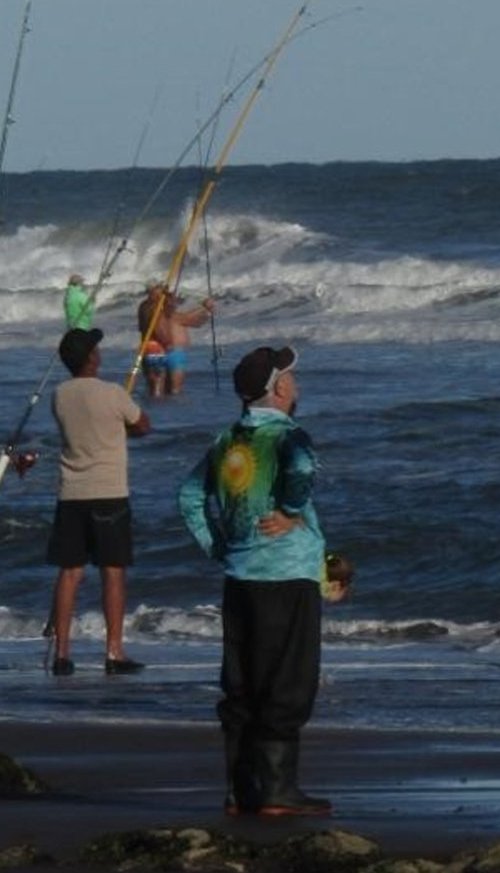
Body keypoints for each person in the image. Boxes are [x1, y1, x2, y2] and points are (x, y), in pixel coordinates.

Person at [177, 345, 332, 817]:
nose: (297, 386)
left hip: (240, 575)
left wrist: (217, 545)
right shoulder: (289, 436)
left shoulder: (225, 440)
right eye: (293, 379)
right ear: (280, 388)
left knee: (242, 683)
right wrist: (288, 510)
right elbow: (302, 468)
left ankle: (240, 788)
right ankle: (278, 790)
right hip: (287, 573)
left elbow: (188, 497)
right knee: (289, 680)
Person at [47, 328, 152, 676]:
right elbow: (142, 426)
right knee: (113, 573)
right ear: (91, 358)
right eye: (96, 349)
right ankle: (114, 652)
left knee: (70, 573)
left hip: (71, 493)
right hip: (109, 492)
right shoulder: (113, 393)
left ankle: (61, 653)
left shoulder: (59, 395)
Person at [140, 282, 216, 396]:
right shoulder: (147, 308)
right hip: (155, 349)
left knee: (170, 391)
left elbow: (192, 321)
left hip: (171, 351)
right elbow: (188, 319)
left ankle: (168, 411)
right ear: (151, 291)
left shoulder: (166, 311)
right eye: (159, 288)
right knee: (158, 391)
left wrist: (206, 310)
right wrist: (205, 308)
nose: (163, 291)